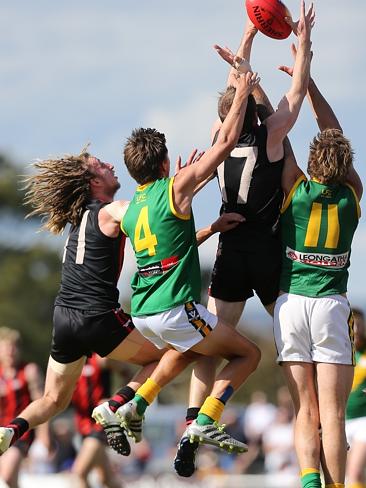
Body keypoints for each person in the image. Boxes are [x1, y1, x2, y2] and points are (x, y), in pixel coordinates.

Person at [174, 1, 315, 477]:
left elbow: (237, 88)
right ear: (259, 109)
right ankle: (306, 416)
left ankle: (194, 423)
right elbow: (295, 93)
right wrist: (303, 47)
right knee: (289, 342)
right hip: (268, 251)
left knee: (212, 344)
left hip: (229, 252)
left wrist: (248, 36)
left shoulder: (218, 135)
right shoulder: (274, 135)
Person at [99, 70, 262, 457]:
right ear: (164, 163)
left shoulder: (131, 208)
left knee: (188, 350)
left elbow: (171, 236)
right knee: (248, 354)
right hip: (175, 310)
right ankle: (206, 422)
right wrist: (241, 92)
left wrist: (208, 222)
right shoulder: (173, 188)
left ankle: (135, 405)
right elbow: (223, 143)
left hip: (142, 312)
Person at [272, 51, 363, 488]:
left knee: (304, 409)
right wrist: (311, 86)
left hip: (290, 306)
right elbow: (332, 132)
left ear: (311, 163)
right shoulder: (351, 195)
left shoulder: (296, 186)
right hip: (330, 306)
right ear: (346, 166)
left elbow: (281, 133)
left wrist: (258, 89)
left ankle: (309, 483)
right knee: (333, 413)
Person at [0, 327, 47, 488]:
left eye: (14, 347)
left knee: (6, 476)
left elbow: (42, 405)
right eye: (6, 347)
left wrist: (44, 436)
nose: (10, 352)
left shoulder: (29, 371)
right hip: (0, 432)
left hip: (20, 434)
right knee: (10, 482)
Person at [71, 353, 125, 488]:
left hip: (101, 423)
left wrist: (116, 400)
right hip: (83, 426)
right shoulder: (68, 362)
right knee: (106, 479)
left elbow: (128, 375)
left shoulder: (101, 359)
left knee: (79, 473)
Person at [345, 308, 366, 488]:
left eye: (359, 325)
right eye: (353, 325)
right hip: (342, 421)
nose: (357, 330)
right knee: (346, 476)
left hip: (363, 421)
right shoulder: (340, 352)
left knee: (354, 473)